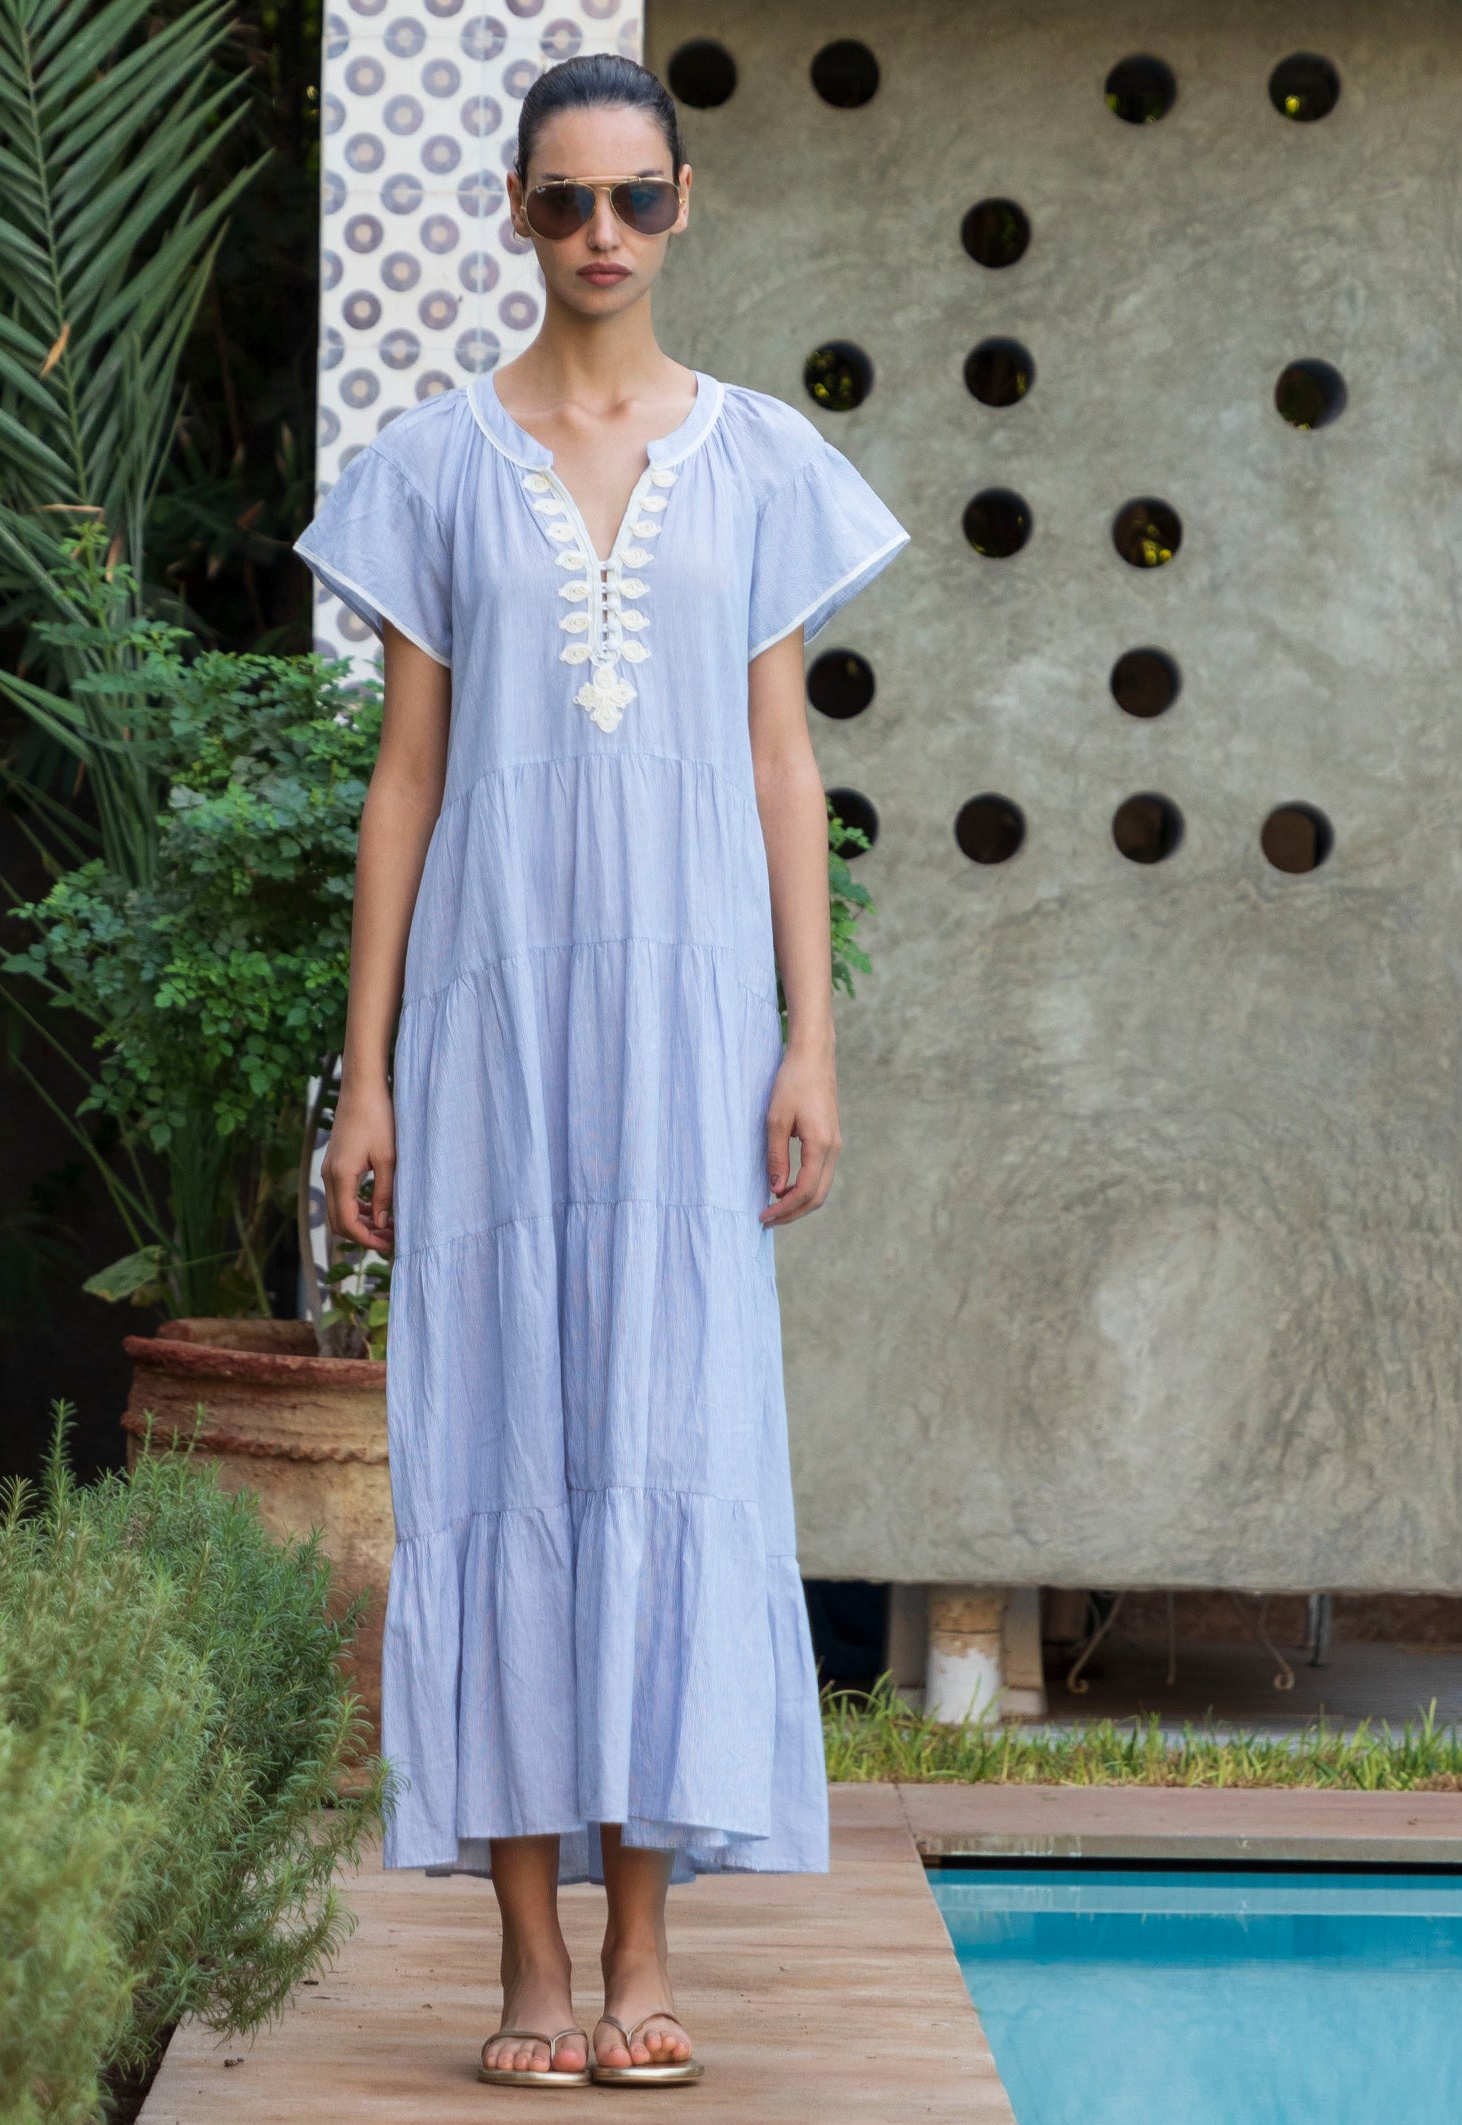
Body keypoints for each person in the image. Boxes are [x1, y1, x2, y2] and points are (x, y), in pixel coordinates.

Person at [295, 50, 908, 2089]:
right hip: (487, 1033)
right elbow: (404, 782)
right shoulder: (435, 466)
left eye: (631, 201)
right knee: (497, 1452)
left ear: (681, 204)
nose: (598, 241)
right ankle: (527, 1970)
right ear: (511, 213)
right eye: (560, 204)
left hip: (683, 1040)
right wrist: (362, 1076)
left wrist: (804, 1035)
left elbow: (776, 765)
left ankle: (646, 1957)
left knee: (661, 1440)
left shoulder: (752, 462)